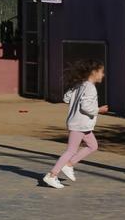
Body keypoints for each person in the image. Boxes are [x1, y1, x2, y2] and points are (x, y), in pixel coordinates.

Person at [42, 59, 108, 189]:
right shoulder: (90, 88)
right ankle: (52, 175)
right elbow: (86, 107)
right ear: (93, 72)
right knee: (71, 150)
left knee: (93, 146)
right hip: (80, 124)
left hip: (81, 124)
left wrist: (74, 91)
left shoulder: (80, 85)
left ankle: (69, 165)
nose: (103, 75)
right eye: (101, 72)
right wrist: (99, 110)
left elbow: (66, 98)